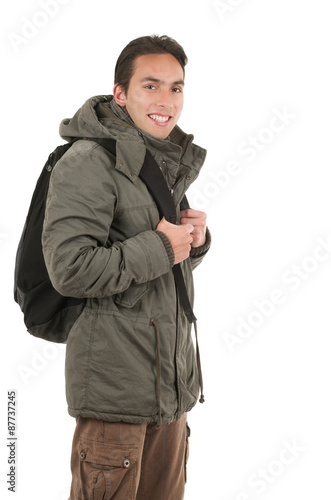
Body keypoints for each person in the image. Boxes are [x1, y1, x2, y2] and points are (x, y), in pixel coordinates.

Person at [42, 34, 211, 500]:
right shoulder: (89, 161)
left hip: (169, 391)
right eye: (151, 86)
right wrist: (161, 245)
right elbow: (71, 269)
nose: (166, 101)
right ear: (120, 93)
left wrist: (191, 242)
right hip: (115, 393)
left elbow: (153, 267)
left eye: (176, 88)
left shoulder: (155, 158)